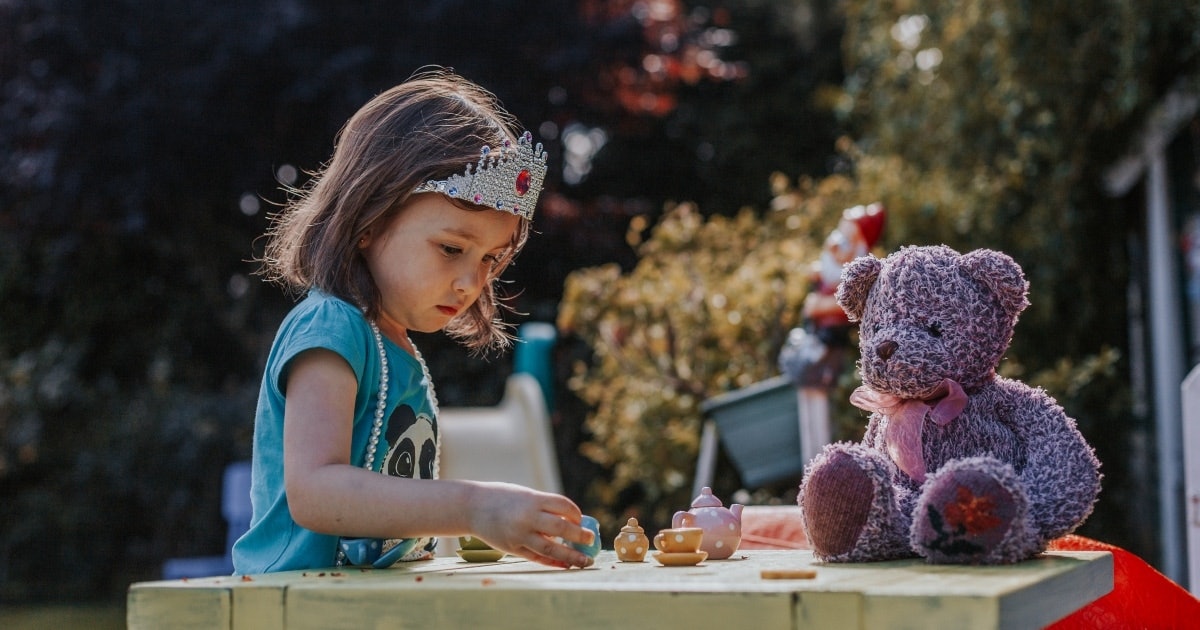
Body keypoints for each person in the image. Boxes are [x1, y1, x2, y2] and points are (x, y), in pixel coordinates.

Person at [231, 69, 595, 574]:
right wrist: (474, 507)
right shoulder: (330, 328)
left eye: (491, 259)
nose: (472, 282)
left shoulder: (397, 347)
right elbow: (314, 491)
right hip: (292, 609)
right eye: (451, 248)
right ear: (369, 219)